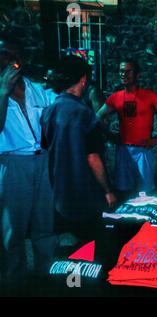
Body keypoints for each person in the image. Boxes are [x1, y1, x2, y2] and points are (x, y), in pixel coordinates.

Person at [40, 56, 117, 243]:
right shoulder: (84, 114)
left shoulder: (49, 111)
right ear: (83, 80)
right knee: (90, 246)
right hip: (85, 195)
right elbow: (93, 158)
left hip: (60, 193)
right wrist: (107, 190)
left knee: (69, 244)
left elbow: (46, 148)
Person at [0, 33, 56, 286]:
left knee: (44, 220)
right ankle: (15, 278)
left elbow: (59, 111)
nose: (11, 61)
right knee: (13, 225)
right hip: (13, 163)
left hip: (42, 161)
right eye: (5, 55)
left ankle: (46, 271)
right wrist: (3, 92)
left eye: (15, 56)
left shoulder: (37, 90)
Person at [97, 59, 157, 199]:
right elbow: (97, 116)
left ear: (137, 74)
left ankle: (144, 220)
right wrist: (110, 135)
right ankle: (125, 220)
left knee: (145, 193)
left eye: (128, 71)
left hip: (143, 150)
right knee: (124, 192)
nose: (124, 74)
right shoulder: (116, 97)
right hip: (123, 150)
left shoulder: (149, 96)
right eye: (121, 71)